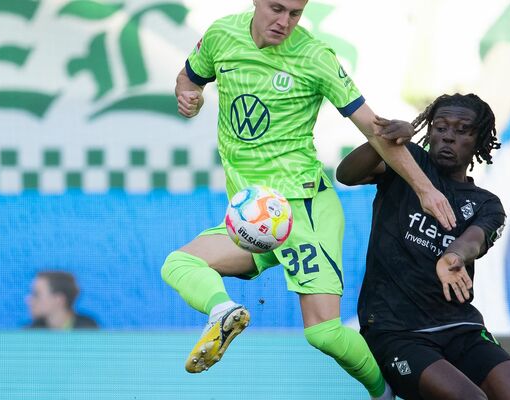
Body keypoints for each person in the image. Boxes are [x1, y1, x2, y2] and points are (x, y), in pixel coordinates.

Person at [162, 1, 456, 398]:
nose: (284, 21)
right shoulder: (220, 35)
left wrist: (426, 189)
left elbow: (375, 128)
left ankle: (386, 395)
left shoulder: (315, 57)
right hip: (253, 221)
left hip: (303, 211)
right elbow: (188, 77)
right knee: (179, 263)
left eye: (295, 13)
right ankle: (223, 313)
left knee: (324, 334)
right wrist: (188, 96)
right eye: (276, 8)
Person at [337, 93, 510, 400]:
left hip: (462, 329)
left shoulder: (486, 204)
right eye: (441, 127)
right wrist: (386, 140)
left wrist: (453, 255)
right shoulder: (410, 164)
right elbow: (346, 174)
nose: (448, 137)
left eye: (462, 130)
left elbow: (473, 240)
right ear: (429, 130)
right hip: (396, 331)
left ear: (478, 140)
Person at [26, 271, 98, 330]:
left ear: (59, 299)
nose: (28, 300)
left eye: (36, 294)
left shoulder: (89, 332)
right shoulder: (30, 333)